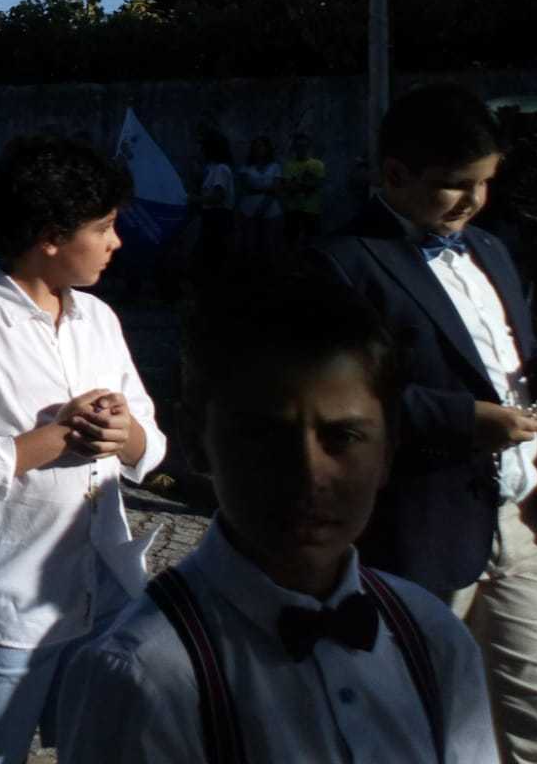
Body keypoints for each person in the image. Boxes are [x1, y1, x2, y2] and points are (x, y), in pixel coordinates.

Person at [57, 270, 497, 763]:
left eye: (343, 437)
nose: (309, 474)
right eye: (265, 437)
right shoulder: (143, 676)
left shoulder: (435, 640)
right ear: (198, 441)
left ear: (388, 449)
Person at [313, 83, 537, 764]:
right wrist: (459, 421)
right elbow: (334, 401)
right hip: (418, 529)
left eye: (485, 183)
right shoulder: (343, 262)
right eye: (454, 185)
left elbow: (496, 359)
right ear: (395, 174)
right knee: (408, 725)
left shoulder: (491, 251)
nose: (474, 200)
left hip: (519, 520)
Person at [0, 135, 164, 764]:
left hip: (105, 589)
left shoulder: (99, 320)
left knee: (96, 746)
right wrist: (53, 440)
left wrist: (124, 434)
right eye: (103, 228)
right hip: (10, 601)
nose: (116, 242)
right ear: (51, 237)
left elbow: (150, 441)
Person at [193, 130, 236, 278]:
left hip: (218, 217)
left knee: (215, 256)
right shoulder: (212, 169)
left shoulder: (221, 169)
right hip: (212, 216)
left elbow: (218, 197)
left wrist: (195, 199)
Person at [236, 135, 284, 263]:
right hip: (248, 208)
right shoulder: (246, 167)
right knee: (249, 244)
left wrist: (264, 203)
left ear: (267, 148)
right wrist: (267, 188)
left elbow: (276, 188)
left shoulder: (275, 166)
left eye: (261, 146)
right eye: (256, 146)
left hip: (271, 207)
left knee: (269, 243)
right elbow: (245, 186)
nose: (258, 149)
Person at [280, 131, 327, 249]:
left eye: (304, 145)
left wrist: (296, 184)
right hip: (293, 209)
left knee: (311, 243)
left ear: (309, 146)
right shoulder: (288, 165)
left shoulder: (318, 165)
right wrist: (306, 184)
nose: (302, 148)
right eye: (299, 146)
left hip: (311, 210)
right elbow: (288, 187)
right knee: (291, 242)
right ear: (294, 147)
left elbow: (317, 184)